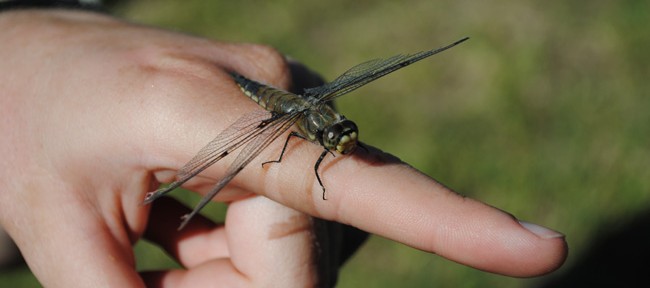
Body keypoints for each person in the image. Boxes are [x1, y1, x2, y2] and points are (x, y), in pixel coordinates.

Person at [0, 5, 567, 288]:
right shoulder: (292, 133)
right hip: (269, 104)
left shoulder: (330, 128)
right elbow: (293, 161)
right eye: (336, 137)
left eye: (343, 137)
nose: (342, 142)